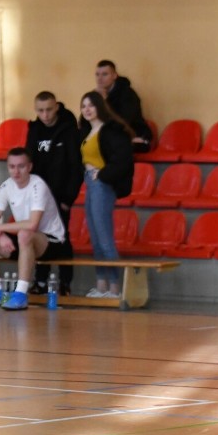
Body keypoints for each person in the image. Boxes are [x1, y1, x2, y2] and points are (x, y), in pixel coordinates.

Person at [0, 147, 72, 311]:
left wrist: (1, 227)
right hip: (23, 239)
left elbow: (33, 224)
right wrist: (1, 236)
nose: (16, 171)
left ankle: (21, 294)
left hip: (51, 241)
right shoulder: (6, 186)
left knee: (25, 233)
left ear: (30, 167)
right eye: (12, 167)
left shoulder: (38, 185)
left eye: (21, 166)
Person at [25, 91, 84, 296]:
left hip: (60, 196)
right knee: (39, 236)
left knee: (61, 238)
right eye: (40, 110)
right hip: (38, 197)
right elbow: (27, 163)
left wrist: (68, 198)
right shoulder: (33, 130)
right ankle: (40, 281)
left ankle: (65, 282)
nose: (46, 114)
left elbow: (76, 167)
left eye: (49, 109)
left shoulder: (68, 131)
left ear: (56, 107)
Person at [78, 91, 134, 298]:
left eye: (91, 105)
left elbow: (122, 160)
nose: (87, 109)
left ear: (100, 107)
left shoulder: (111, 131)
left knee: (104, 237)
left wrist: (102, 173)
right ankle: (101, 285)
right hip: (90, 185)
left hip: (102, 185)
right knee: (94, 237)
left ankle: (115, 288)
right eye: (83, 106)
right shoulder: (85, 132)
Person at [95, 60, 152, 152]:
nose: (100, 78)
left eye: (104, 74)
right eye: (97, 74)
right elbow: (85, 121)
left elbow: (123, 122)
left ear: (114, 76)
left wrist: (105, 101)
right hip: (109, 138)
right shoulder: (96, 95)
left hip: (135, 136)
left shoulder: (128, 94)